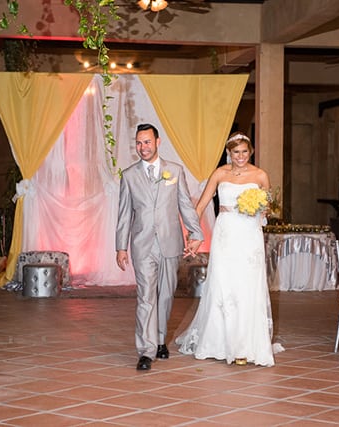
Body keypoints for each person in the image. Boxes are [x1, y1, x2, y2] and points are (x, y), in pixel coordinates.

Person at [175, 131, 275, 367]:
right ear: (229, 153)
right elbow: (201, 205)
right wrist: (193, 233)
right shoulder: (220, 173)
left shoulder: (260, 175)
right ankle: (218, 341)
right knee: (223, 282)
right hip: (226, 233)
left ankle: (246, 344)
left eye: (244, 152)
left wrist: (260, 209)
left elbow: (269, 209)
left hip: (250, 235)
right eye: (235, 152)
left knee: (248, 285)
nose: (240, 156)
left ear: (250, 152)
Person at [116, 123, 204, 371]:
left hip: (170, 242)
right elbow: (124, 215)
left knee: (165, 295)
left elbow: (185, 205)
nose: (142, 147)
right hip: (142, 245)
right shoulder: (129, 175)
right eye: (138, 142)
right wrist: (120, 247)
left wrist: (195, 233)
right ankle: (146, 350)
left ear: (157, 142)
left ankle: (160, 338)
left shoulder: (174, 171)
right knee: (146, 297)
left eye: (147, 142)